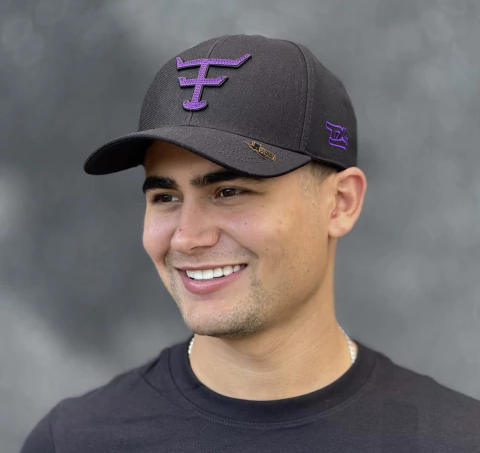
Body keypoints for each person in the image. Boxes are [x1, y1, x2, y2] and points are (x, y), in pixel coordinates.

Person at [20, 34, 479, 452]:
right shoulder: (75, 440)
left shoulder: (454, 438)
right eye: (165, 197)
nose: (188, 237)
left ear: (340, 203)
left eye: (229, 192)